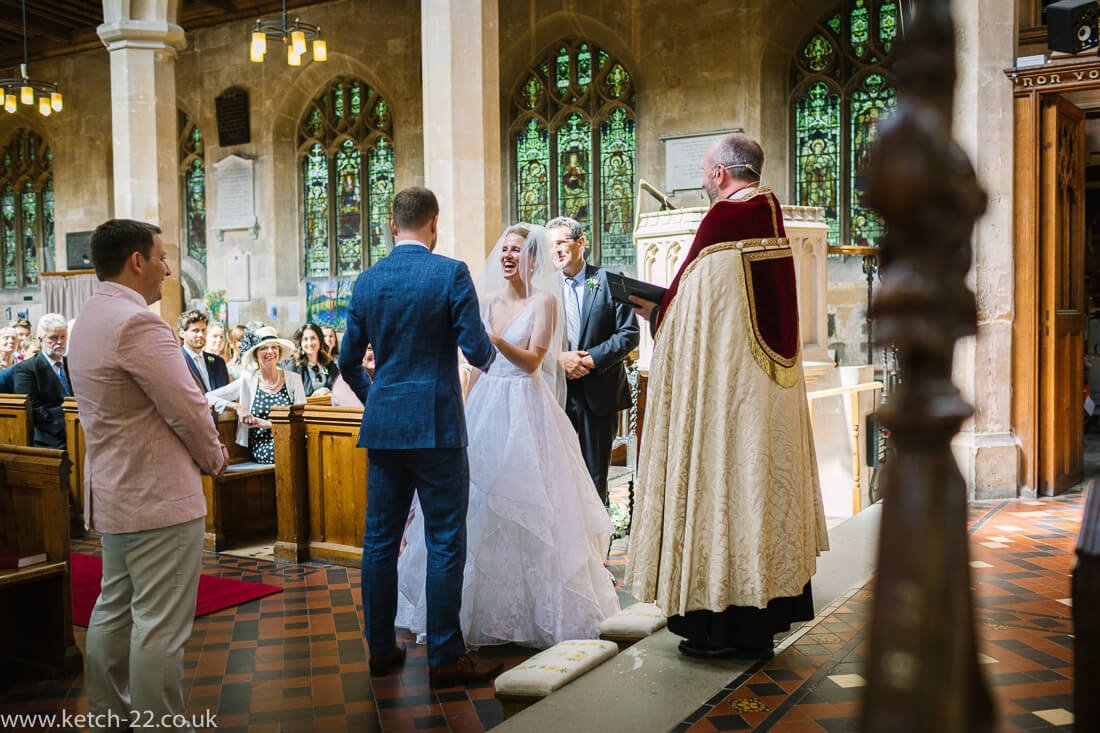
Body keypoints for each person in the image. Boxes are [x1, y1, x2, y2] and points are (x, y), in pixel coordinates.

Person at [625, 133, 828, 660]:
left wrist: (654, 313)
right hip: (766, 397)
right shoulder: (770, 213)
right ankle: (766, 616)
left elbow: (687, 309)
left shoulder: (723, 222)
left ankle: (723, 626)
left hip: (725, 399)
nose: (701, 182)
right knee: (757, 489)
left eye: (704, 173)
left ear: (719, 175)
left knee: (723, 490)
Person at [396, 223, 620, 649]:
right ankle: (474, 611)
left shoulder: (545, 302)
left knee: (530, 502)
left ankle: (536, 614)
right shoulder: (487, 302)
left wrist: (493, 338)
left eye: (516, 250)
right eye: (504, 250)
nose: (507, 256)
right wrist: (462, 408)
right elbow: (477, 368)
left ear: (532, 258)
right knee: (478, 505)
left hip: (526, 407)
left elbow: (533, 362)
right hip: (487, 404)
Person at [68, 218, 228, 733]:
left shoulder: (89, 317)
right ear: (136, 261)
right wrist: (214, 459)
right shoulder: (137, 323)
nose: (165, 269)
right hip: (156, 496)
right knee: (160, 626)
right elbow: (186, 406)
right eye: (161, 258)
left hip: (116, 491)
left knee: (115, 609)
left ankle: (110, 718)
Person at [337, 186, 500, 687]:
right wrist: (490, 352)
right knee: (445, 539)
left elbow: (346, 362)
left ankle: (381, 650)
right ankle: (445, 657)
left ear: (392, 225)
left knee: (380, 541)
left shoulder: (367, 281)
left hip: (385, 429)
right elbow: (476, 351)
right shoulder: (449, 272)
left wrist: (378, 398)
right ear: (435, 224)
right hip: (438, 429)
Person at [547, 216, 639, 505]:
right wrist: (559, 359)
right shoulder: (543, 288)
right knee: (556, 475)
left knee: (595, 477)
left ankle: (598, 546)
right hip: (557, 393)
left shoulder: (608, 280)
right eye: (550, 245)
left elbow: (629, 334)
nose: (556, 250)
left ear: (581, 242)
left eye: (561, 242)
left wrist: (591, 360)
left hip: (598, 394)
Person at [207, 325, 305, 464]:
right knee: (289, 454)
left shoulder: (294, 379)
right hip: (264, 445)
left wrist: (264, 423)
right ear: (255, 354)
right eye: (264, 348)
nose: (270, 351)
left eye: (274, 347)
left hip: (292, 439)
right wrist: (237, 407)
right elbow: (207, 397)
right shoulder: (248, 379)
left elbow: (301, 421)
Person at [13, 312, 72, 449]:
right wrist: (66, 428)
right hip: (50, 437)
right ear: (40, 340)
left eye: (63, 337)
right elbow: (34, 408)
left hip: (79, 427)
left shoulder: (72, 364)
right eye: (53, 338)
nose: (60, 342)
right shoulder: (26, 369)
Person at [178, 310, 230, 392]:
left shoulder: (218, 362)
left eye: (203, 330)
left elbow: (227, 392)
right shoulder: (177, 361)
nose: (201, 335)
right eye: (195, 331)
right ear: (182, 333)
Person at [285, 322, 339, 397]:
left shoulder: (329, 364)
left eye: (313, 338)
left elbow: (340, 390)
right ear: (300, 343)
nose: (309, 343)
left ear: (320, 340)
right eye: (305, 339)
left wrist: (328, 391)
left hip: (329, 407)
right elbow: (290, 394)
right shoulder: (294, 366)